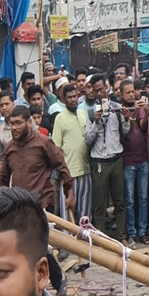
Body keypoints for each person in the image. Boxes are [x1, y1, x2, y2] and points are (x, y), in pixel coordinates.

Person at [84, 75, 130, 242]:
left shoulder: (117, 108)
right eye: (97, 90)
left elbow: (125, 133)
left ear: (107, 87)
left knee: (119, 200)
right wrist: (96, 121)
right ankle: (100, 238)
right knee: (99, 202)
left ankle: (123, 236)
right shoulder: (90, 113)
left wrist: (125, 119)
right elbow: (88, 139)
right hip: (100, 161)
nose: (101, 93)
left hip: (116, 158)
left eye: (102, 88)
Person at [52, 83, 92, 223]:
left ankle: (85, 242)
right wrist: (61, 171)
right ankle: (67, 243)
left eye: (75, 96)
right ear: (64, 98)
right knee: (67, 213)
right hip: (68, 173)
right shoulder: (60, 118)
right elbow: (56, 148)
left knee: (85, 213)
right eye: (69, 97)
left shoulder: (83, 114)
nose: (73, 100)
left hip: (85, 170)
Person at [120, 80, 149, 244]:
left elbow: (143, 126)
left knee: (144, 197)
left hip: (143, 159)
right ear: (121, 94)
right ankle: (131, 232)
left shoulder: (138, 107)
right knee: (130, 200)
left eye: (133, 91)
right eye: (128, 92)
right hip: (129, 161)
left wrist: (145, 112)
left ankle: (143, 230)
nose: (132, 94)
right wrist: (129, 117)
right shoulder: (121, 110)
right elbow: (128, 131)